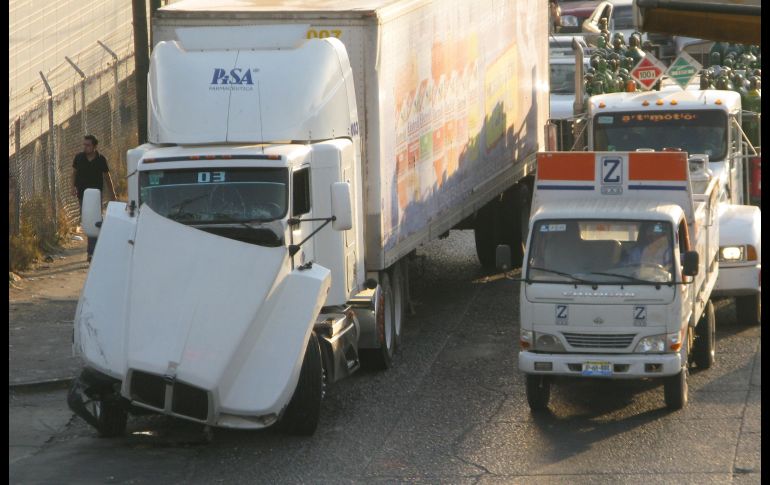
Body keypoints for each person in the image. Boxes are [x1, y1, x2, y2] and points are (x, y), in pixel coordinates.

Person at [72, 135, 116, 262]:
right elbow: (74, 173)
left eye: (88, 145)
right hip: (82, 195)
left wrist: (112, 194)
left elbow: (107, 177)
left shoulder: (101, 159)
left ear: (94, 146)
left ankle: (91, 252)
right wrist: (73, 187)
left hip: (96, 195)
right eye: (84, 145)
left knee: (94, 221)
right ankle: (97, 247)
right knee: (88, 222)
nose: (85, 147)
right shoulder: (79, 158)